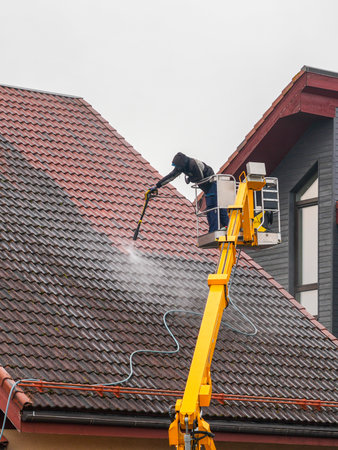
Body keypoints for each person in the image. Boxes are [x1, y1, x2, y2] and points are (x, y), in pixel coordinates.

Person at [150, 152, 228, 233]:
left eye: (178, 167)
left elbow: (199, 178)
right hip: (206, 187)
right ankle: (224, 226)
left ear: (182, 164)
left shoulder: (193, 164)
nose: (178, 169)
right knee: (214, 207)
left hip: (211, 183)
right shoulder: (181, 167)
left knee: (214, 206)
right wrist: (157, 186)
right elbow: (170, 176)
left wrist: (189, 179)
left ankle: (218, 229)